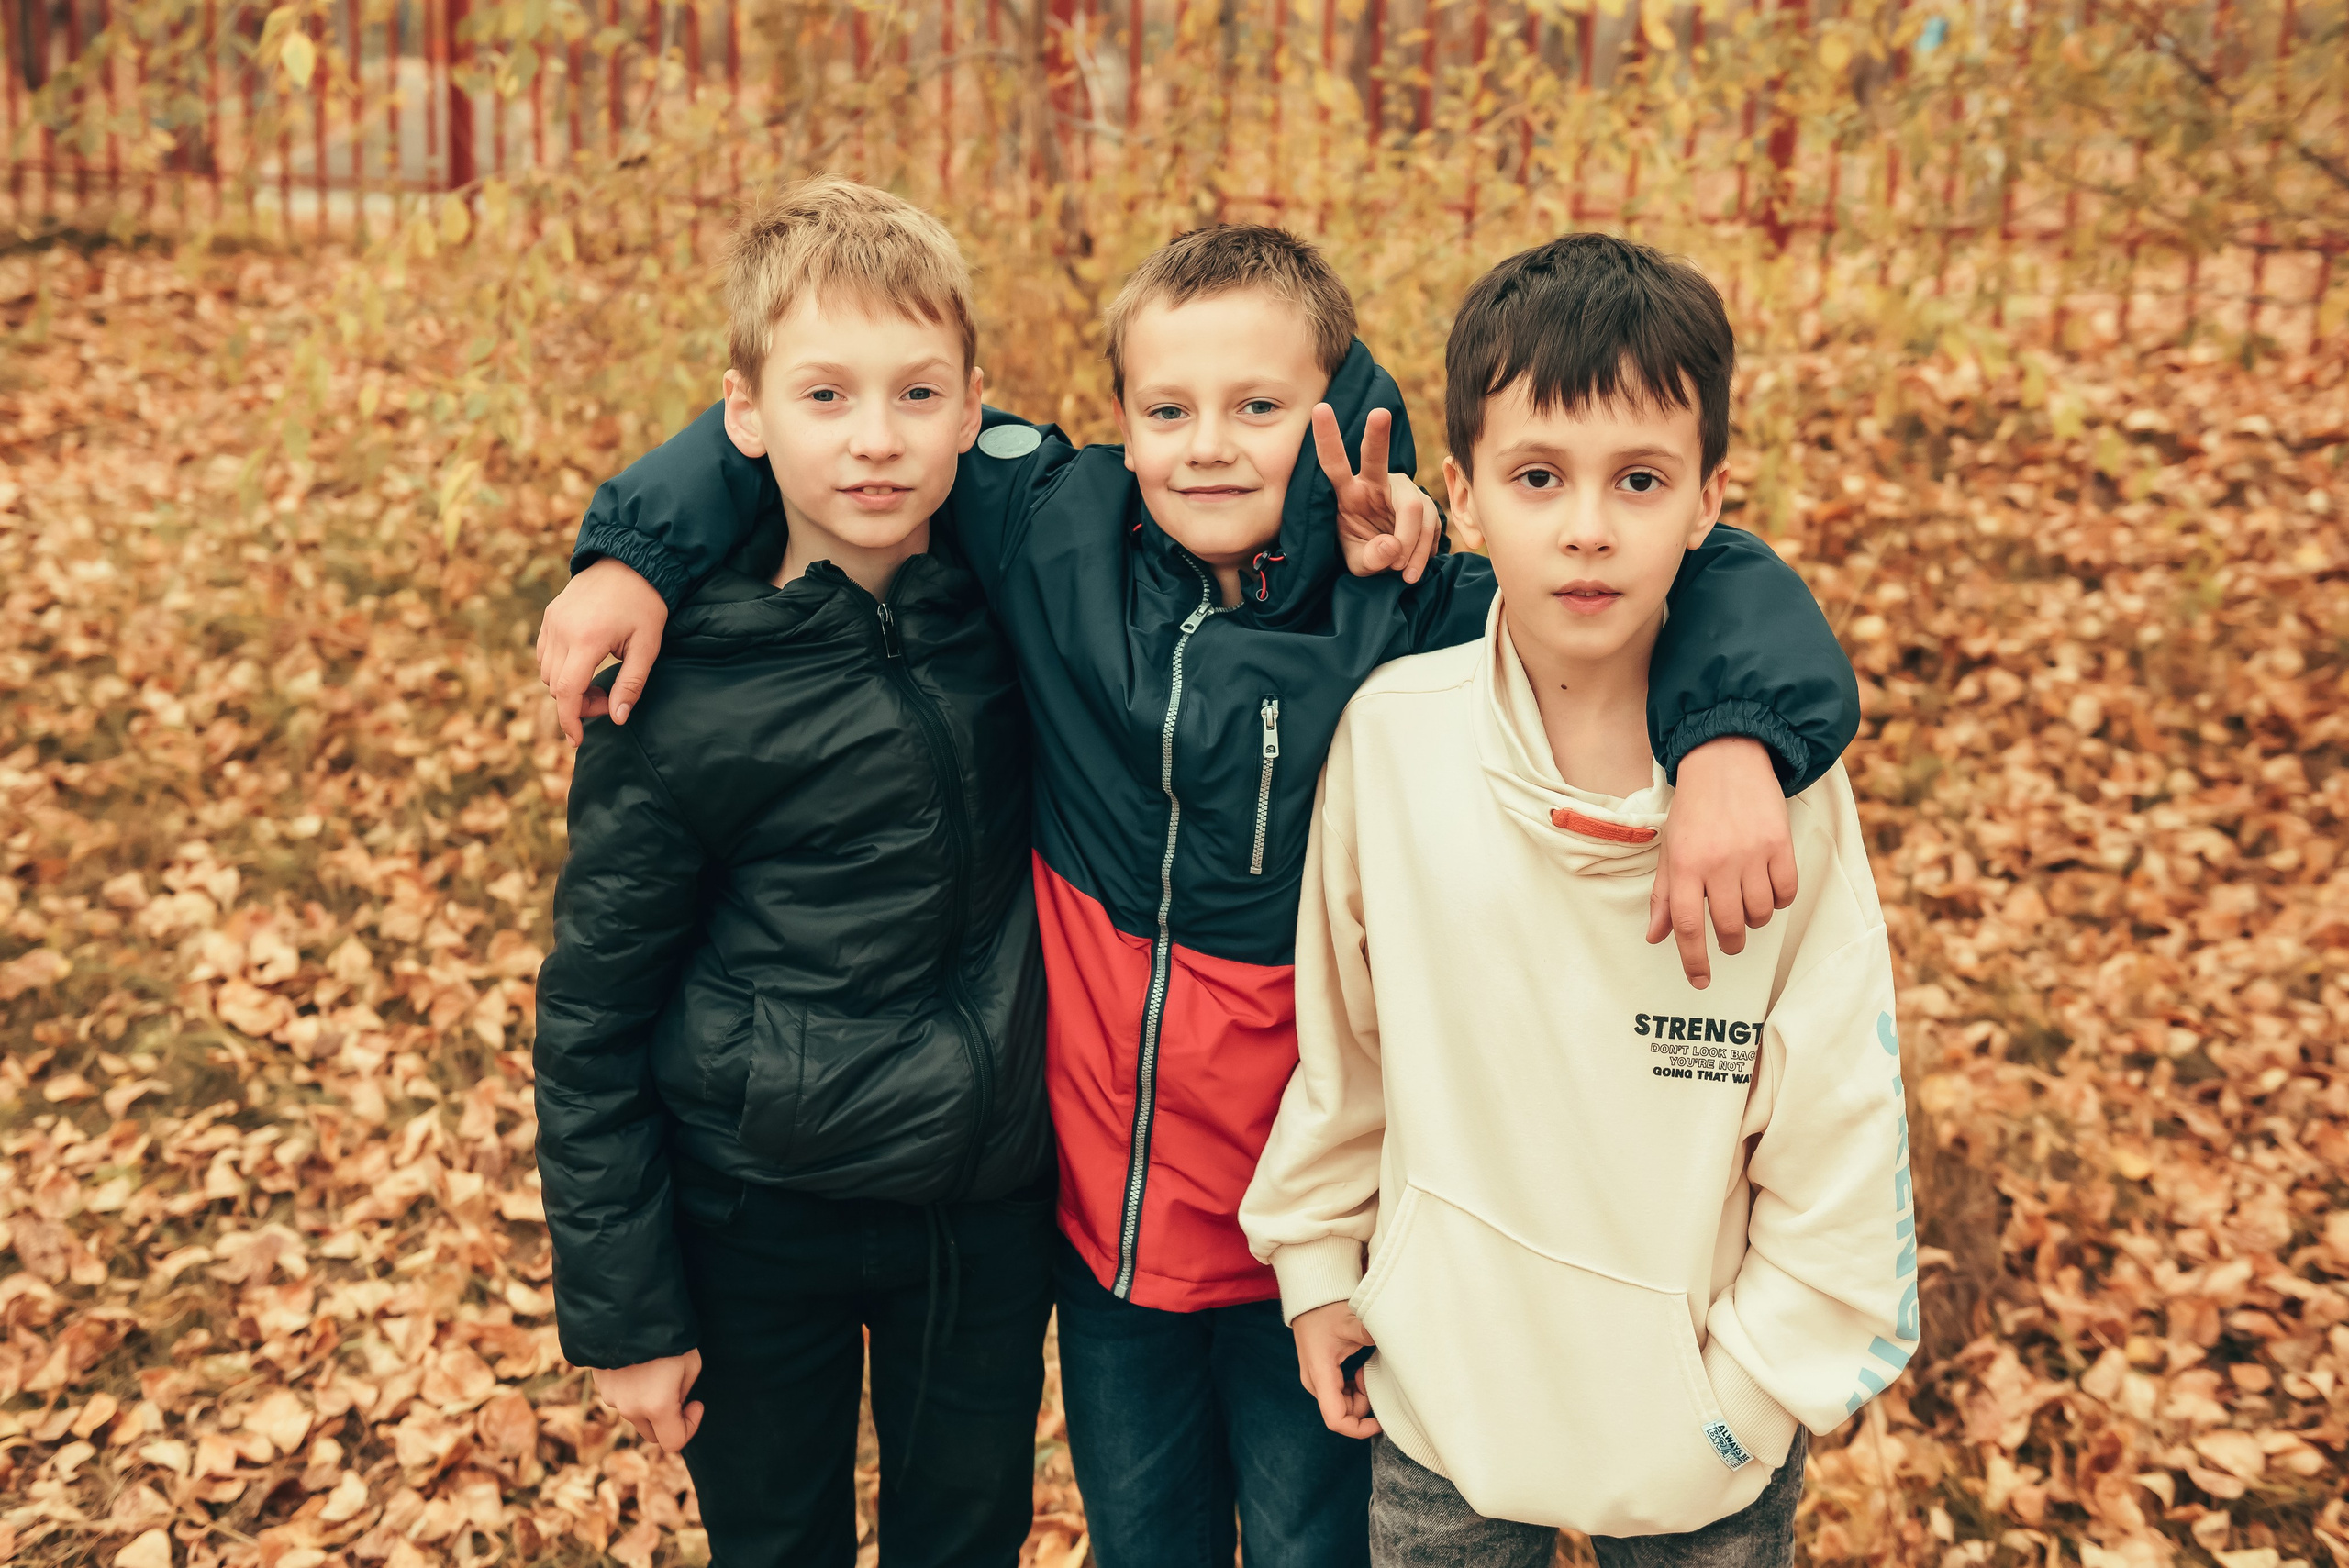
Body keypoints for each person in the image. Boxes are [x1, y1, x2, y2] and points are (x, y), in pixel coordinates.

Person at [535, 219, 1865, 1568]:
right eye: (1168, 410)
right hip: (1110, 1244)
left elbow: (1673, 568)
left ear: (1340, 412)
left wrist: (1733, 736)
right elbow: (840, 422)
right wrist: (629, 552)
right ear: (1120, 419)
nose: (1209, 445)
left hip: (1318, 1251)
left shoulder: (1404, 610)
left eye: (1260, 408)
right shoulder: (1052, 533)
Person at [1240, 233, 1916, 1568]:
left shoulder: (1779, 797)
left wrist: (1751, 1394)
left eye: (1640, 479)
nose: (1589, 526)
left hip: (1702, 1445)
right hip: (1444, 1403)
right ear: (1464, 494)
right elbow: (1349, 1046)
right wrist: (1316, 1264)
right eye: (1538, 477)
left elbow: (1839, 1110)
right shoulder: (1394, 740)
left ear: (1711, 499)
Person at [533, 177, 1060, 1568]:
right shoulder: (676, 685)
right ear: (746, 414)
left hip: (978, 1209)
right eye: (824, 397)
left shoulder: (1027, 601)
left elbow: (1251, 411)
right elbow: (591, 1015)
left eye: (917, 394)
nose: (875, 439)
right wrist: (629, 1317)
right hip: (754, 1216)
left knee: (968, 1541)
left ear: (975, 408)